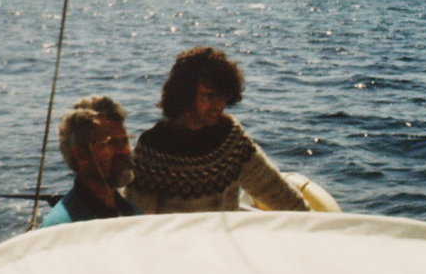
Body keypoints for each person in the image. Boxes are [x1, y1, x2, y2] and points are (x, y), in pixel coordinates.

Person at [127, 46, 307, 214]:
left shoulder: (231, 140)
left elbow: (276, 192)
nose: (218, 105)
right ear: (185, 94)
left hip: (223, 237)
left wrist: (313, 224)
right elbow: (138, 220)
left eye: (223, 96)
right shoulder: (153, 150)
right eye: (209, 96)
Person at [40, 95, 140, 227]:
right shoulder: (61, 227)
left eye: (125, 140)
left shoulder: (132, 213)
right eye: (112, 143)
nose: (124, 151)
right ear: (80, 155)